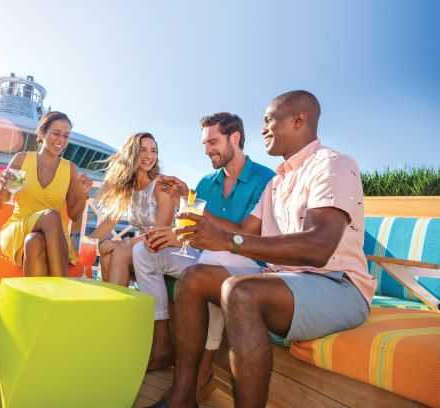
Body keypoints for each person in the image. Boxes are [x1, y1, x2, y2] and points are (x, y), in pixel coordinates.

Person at [152, 90, 375, 408]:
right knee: (193, 278)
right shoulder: (276, 184)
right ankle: (183, 396)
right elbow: (244, 232)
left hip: (338, 285)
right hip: (286, 280)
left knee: (241, 291)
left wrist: (227, 241)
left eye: (269, 120)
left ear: (299, 120)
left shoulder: (332, 164)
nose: (262, 129)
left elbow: (318, 247)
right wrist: (207, 225)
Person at [133, 113, 274, 397]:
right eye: (204, 144)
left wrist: (195, 207)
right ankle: (161, 340)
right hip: (208, 255)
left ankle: (203, 372)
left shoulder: (266, 179)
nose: (207, 150)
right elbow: (193, 225)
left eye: (213, 142)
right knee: (143, 252)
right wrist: (175, 232)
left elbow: (247, 235)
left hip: (249, 263)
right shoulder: (207, 182)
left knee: (211, 262)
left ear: (235, 138)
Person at [0, 111, 92, 277]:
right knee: (51, 216)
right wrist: (4, 188)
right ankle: (61, 284)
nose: (61, 140)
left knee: (34, 243)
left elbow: (74, 215)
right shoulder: (23, 160)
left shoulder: (69, 169)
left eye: (66, 136)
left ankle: (37, 295)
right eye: (56, 133)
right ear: (42, 133)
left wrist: (82, 195)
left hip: (54, 238)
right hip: (20, 227)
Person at [90, 132, 174, 286]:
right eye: (143, 150)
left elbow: (159, 234)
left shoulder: (161, 185)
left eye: (153, 151)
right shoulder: (129, 189)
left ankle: (117, 300)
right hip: (142, 245)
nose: (149, 156)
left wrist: (122, 244)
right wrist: (86, 244)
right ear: (132, 154)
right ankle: (109, 300)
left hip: (165, 245)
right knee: (107, 253)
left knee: (119, 251)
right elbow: (109, 221)